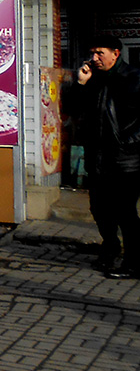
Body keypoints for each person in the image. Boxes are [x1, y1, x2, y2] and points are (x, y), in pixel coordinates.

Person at [66, 35, 140, 279]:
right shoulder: (92, 79)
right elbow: (73, 111)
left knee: (125, 213)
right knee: (99, 209)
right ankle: (110, 249)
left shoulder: (133, 77)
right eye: (93, 53)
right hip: (97, 158)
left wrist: (128, 142)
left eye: (100, 53)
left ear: (115, 53)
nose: (95, 58)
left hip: (126, 159)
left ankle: (133, 262)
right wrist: (80, 83)